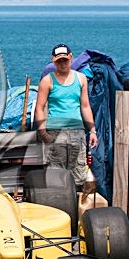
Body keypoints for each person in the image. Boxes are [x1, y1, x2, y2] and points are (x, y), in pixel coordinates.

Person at [34, 44, 98, 185]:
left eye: (65, 60)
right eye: (59, 61)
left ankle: (75, 202)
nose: (63, 64)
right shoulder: (47, 81)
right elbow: (39, 107)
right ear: (54, 61)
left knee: (78, 173)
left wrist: (92, 130)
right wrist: (43, 132)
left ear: (70, 58)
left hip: (77, 131)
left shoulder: (81, 79)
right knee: (56, 172)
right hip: (55, 131)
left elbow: (85, 106)